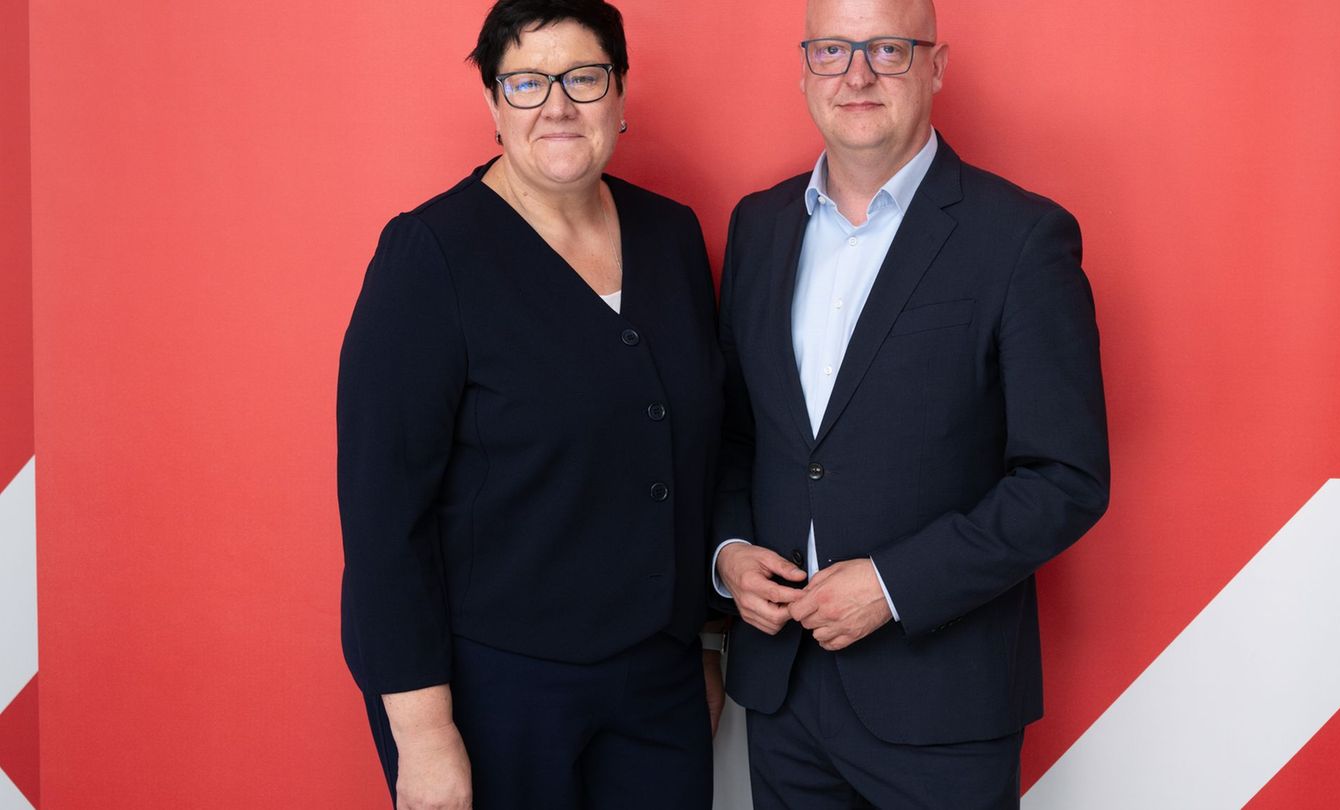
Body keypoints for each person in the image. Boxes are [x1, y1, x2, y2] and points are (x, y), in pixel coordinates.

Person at [711, 0, 1110, 806]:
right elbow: (736, 434)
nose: (857, 74)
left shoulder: (1021, 236)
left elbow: (1064, 477)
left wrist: (893, 585)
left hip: (941, 699)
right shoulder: (758, 227)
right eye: (833, 50)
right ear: (804, 70)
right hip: (783, 689)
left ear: (936, 65)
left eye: (887, 49)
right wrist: (727, 553)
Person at [337, 1, 725, 807]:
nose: (557, 104)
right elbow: (383, 522)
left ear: (620, 95)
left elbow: (704, 451)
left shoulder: (671, 236)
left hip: (659, 682)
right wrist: (424, 735)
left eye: (583, 78)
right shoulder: (429, 257)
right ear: (491, 103)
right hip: (496, 691)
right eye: (525, 82)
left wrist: (707, 646)